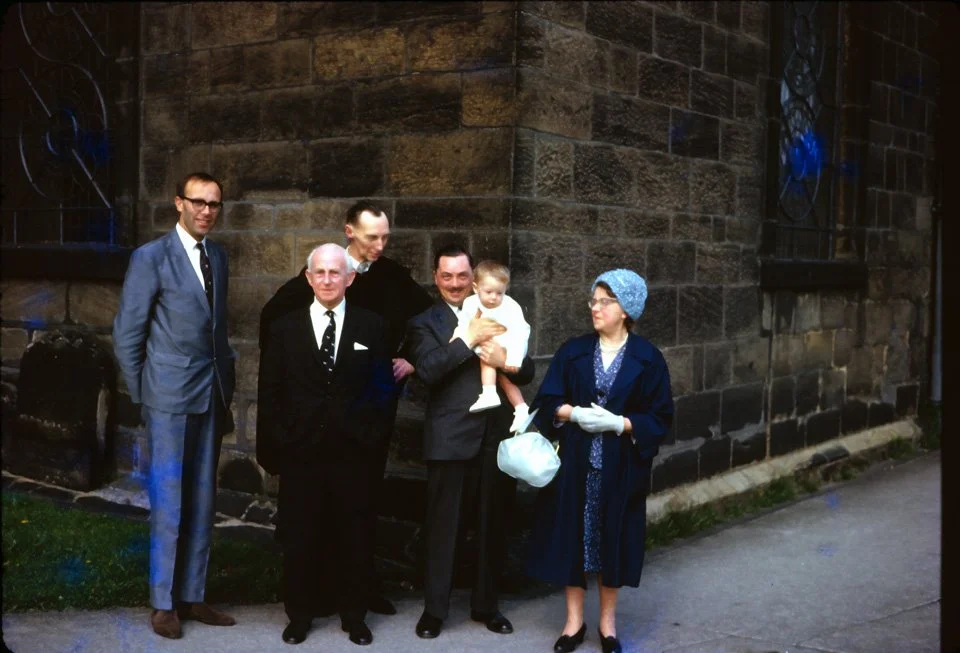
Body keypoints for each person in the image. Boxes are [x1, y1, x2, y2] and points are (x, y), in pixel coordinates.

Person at [256, 201, 432, 616]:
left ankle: (360, 592)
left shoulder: (392, 277)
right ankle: (314, 596)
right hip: (311, 427)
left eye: (386, 236)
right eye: (373, 237)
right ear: (349, 232)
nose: (381, 245)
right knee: (310, 516)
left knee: (359, 511)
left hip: (362, 425)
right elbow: (275, 336)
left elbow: (429, 318)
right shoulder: (317, 275)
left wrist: (411, 358)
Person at [113, 172, 237, 639]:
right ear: (178, 204)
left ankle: (193, 595)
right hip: (167, 396)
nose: (207, 211)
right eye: (198, 202)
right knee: (169, 500)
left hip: (211, 393)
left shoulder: (218, 256)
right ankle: (163, 603)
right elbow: (128, 333)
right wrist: (145, 396)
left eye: (215, 204)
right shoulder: (151, 258)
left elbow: (213, 329)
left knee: (203, 498)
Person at [526, 269, 674, 653]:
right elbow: (545, 402)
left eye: (605, 300)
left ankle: (608, 625)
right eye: (594, 299)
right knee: (572, 536)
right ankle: (573, 622)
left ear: (626, 309)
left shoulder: (648, 359)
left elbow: (661, 417)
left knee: (615, 539)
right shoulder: (573, 351)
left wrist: (622, 423)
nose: (595, 306)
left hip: (620, 466)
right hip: (575, 464)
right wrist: (571, 413)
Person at [257, 244, 395, 647]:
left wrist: (371, 441)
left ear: (350, 278)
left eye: (336, 272)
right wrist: (280, 445)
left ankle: (354, 616)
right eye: (320, 272)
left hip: (354, 454)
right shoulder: (285, 328)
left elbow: (384, 393)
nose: (328, 280)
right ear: (308, 277)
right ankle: (299, 615)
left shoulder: (372, 327)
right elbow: (272, 393)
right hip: (302, 453)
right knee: (301, 536)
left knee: (354, 535)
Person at [406, 245, 536, 640]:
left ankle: (486, 605)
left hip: (494, 436)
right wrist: (469, 340)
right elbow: (427, 371)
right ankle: (435, 610)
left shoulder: (504, 308)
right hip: (449, 436)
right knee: (443, 527)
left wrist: (502, 359)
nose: (455, 283)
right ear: (436, 277)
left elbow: (526, 368)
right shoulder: (424, 322)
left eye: (463, 276)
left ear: (473, 278)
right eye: (447, 276)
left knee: (492, 524)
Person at [450, 260, 532, 433]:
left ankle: (490, 393)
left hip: (508, 343)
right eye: (489, 292)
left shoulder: (510, 306)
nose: (494, 297)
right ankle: (520, 407)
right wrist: (457, 336)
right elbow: (464, 323)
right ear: (475, 287)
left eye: (499, 293)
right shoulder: (470, 303)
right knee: (499, 374)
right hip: (485, 341)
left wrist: (513, 358)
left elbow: (521, 332)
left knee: (488, 357)